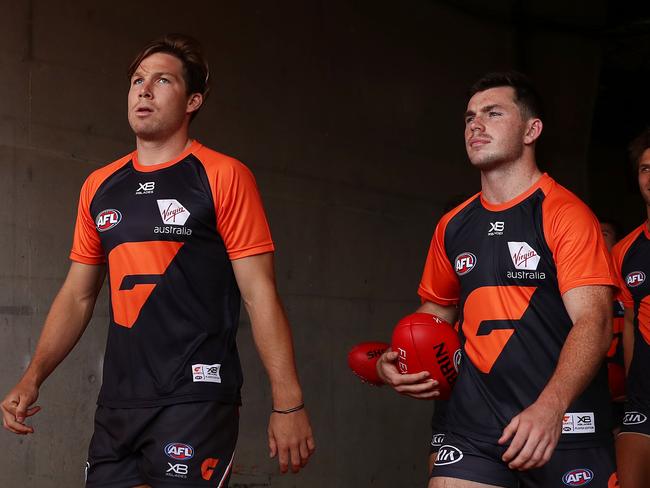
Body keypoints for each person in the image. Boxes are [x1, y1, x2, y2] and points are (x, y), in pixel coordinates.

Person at [1, 34, 315, 487]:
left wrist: (289, 403)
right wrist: (33, 377)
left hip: (195, 399)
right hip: (119, 404)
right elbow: (77, 295)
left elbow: (259, 293)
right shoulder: (99, 185)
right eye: (136, 80)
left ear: (193, 100)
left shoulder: (223, 175)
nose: (143, 90)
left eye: (161, 80)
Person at [377, 71, 617, 487]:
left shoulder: (565, 214)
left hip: (563, 427)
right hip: (475, 427)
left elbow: (593, 324)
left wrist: (551, 407)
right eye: (470, 117)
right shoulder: (453, 225)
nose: (475, 125)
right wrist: (396, 356)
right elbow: (435, 312)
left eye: (492, 113)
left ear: (531, 129)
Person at [611, 128, 650, 488]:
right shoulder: (624, 251)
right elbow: (629, 325)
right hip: (642, 399)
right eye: (645, 169)